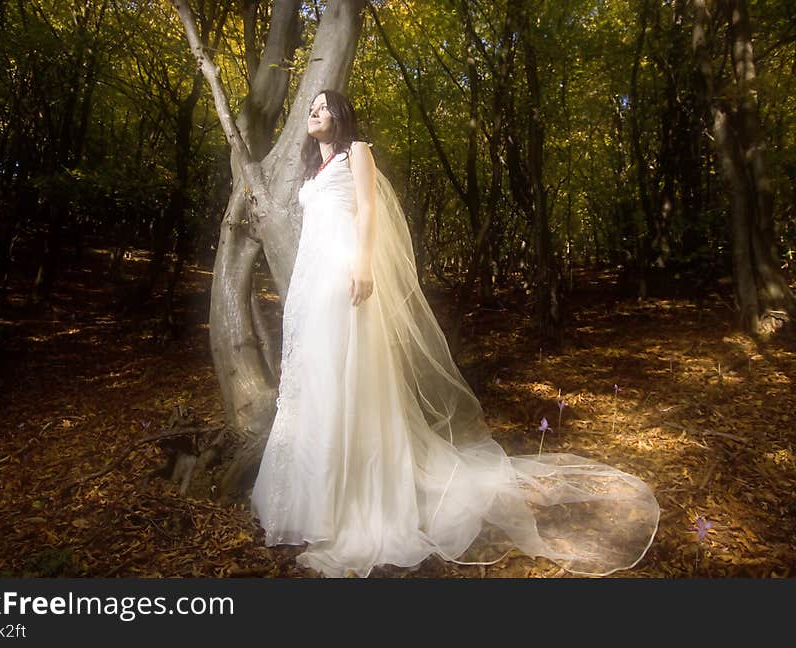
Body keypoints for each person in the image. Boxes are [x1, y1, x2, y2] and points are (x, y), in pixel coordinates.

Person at [250, 89, 659, 578]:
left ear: (340, 116)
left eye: (323, 106)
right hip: (311, 284)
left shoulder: (356, 151)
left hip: (344, 276)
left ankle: (352, 502)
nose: (314, 112)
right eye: (310, 107)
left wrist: (362, 264)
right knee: (316, 383)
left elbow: (368, 209)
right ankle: (314, 501)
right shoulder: (311, 173)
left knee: (347, 378)